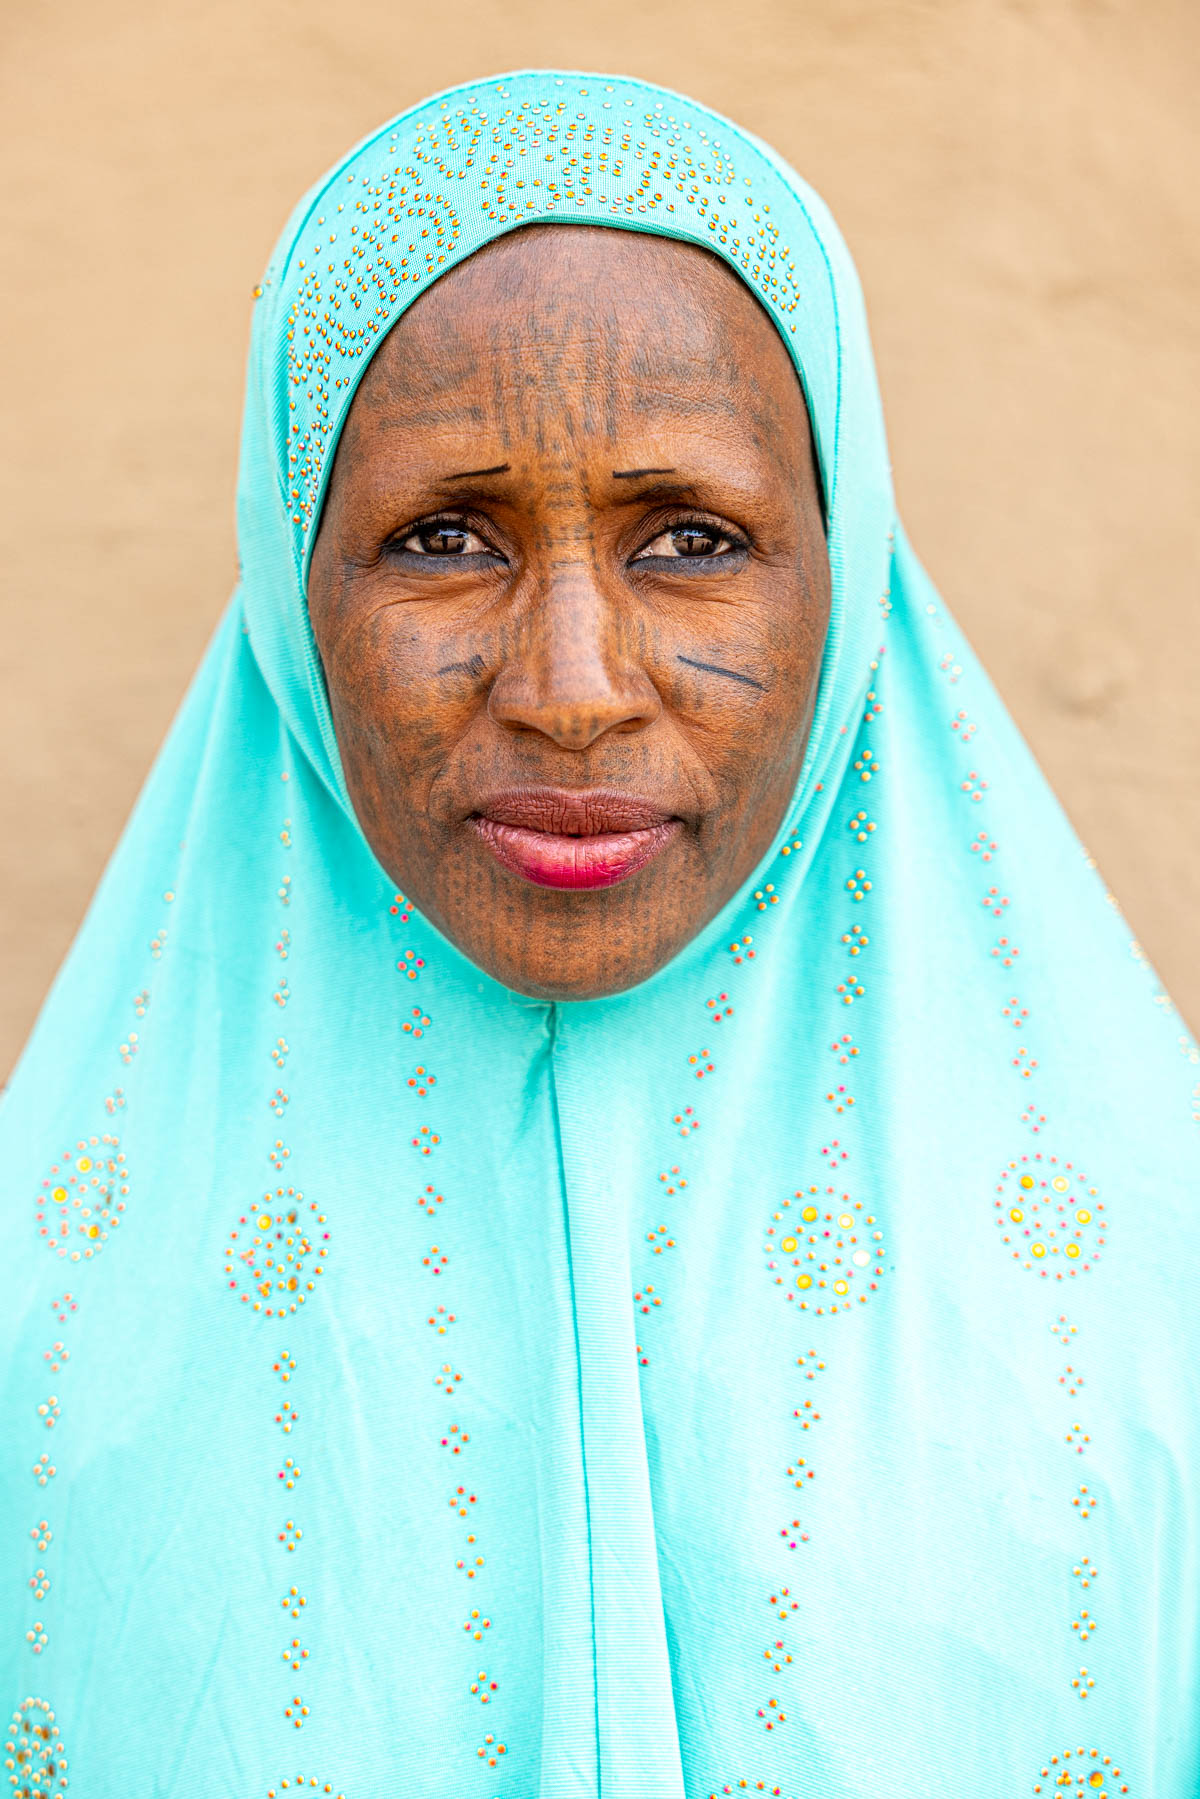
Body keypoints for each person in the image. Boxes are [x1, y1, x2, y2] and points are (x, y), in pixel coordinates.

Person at [2, 69, 1195, 1799]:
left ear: (841, 585)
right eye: (442, 537)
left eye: (693, 538)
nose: (570, 688)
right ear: (293, 590)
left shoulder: (1149, 1322)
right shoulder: (45, 1355)